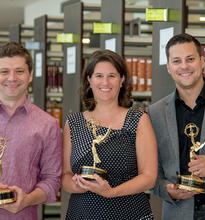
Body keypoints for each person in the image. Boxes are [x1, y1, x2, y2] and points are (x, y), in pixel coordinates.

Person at [62, 49, 158, 219]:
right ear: (89, 80)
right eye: (99, 75)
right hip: (82, 213)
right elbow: (65, 175)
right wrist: (78, 185)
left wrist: (111, 192)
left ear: (122, 80)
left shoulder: (138, 120)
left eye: (112, 76)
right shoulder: (73, 123)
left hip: (129, 213)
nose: (105, 82)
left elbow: (149, 177)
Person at [148, 33, 205, 220]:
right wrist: (165, 190)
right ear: (169, 67)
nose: (184, 66)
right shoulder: (155, 113)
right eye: (177, 61)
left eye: (190, 59)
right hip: (177, 212)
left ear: (202, 61)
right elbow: (149, 170)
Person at [0, 42, 62, 219]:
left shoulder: (47, 124)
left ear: (30, 76)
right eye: (4, 71)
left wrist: (27, 200)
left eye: (19, 71)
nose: (12, 78)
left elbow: (52, 180)